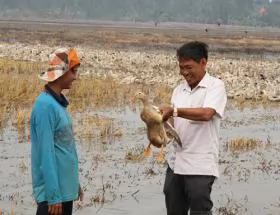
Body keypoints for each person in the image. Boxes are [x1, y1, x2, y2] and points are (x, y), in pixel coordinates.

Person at [161, 41, 227, 215]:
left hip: (200, 165)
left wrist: (174, 111)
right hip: (176, 163)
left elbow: (207, 114)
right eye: (181, 67)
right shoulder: (178, 90)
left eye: (188, 67)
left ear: (203, 62)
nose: (184, 72)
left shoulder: (215, 86)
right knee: (174, 210)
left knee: (200, 211)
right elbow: (173, 125)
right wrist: (159, 123)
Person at [30, 47, 84, 215]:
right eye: (73, 72)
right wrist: (53, 196)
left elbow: (64, 148)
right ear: (63, 72)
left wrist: (74, 184)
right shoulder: (45, 106)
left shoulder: (58, 104)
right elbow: (46, 153)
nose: (75, 77)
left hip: (64, 192)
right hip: (54, 199)